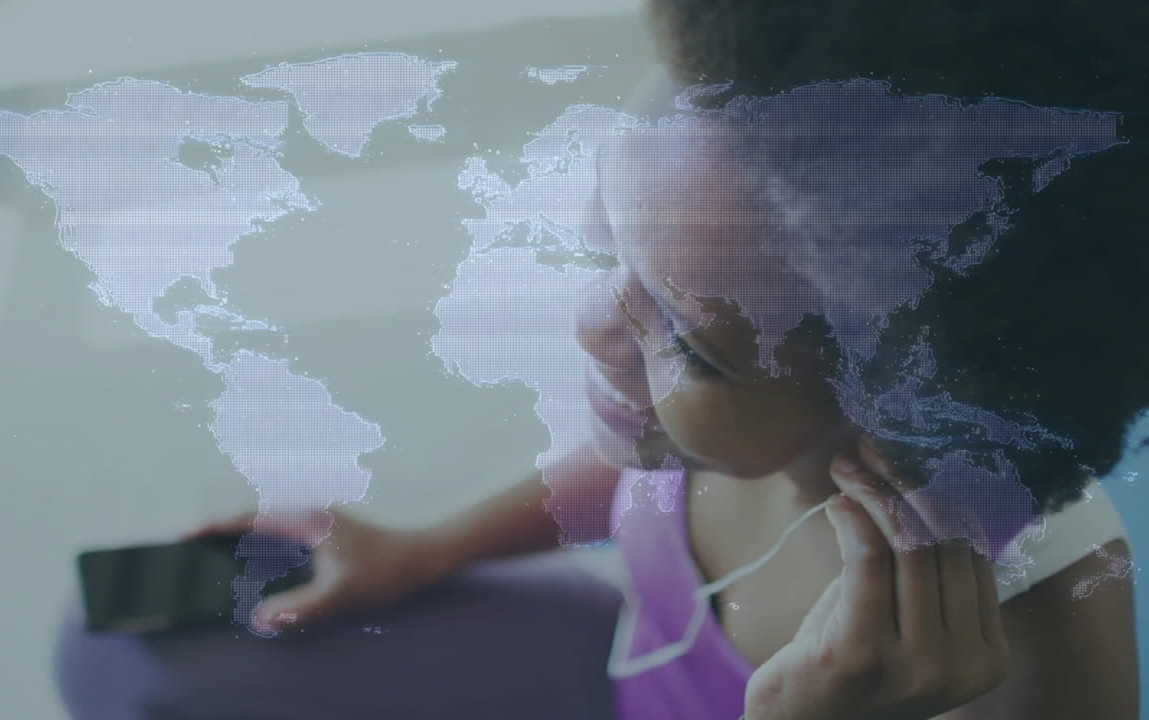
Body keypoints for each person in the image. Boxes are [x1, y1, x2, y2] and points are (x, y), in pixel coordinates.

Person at [55, 1, 1145, 718]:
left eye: (684, 341)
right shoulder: (736, 424)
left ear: (908, 406)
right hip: (617, 673)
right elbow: (643, 473)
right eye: (606, 245)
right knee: (124, 649)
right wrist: (424, 550)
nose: (591, 325)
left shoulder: (1038, 632)